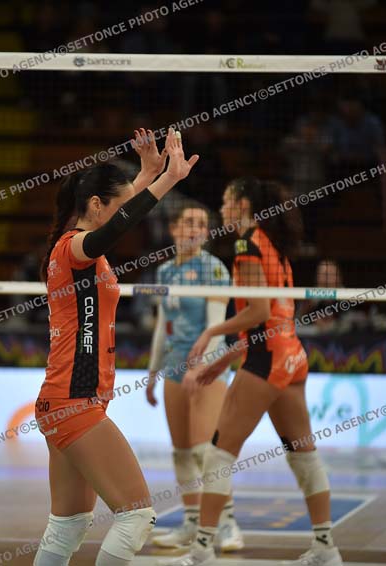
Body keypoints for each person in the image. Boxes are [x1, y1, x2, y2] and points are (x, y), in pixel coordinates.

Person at [33, 128, 198, 566]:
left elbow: (118, 212)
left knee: (68, 525)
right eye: (116, 205)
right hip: (74, 401)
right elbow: (120, 222)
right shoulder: (74, 248)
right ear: (94, 206)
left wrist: (146, 174)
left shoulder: (78, 248)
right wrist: (167, 179)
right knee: (137, 517)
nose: (125, 214)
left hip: (65, 401)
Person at [163, 179, 343, 566]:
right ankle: (326, 548)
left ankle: (201, 550)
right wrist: (224, 359)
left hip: (266, 360)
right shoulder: (273, 244)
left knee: (218, 454)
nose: (222, 209)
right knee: (303, 455)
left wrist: (212, 332)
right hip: (291, 356)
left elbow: (258, 313)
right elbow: (271, 321)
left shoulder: (246, 246)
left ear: (243, 205)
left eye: (227, 202)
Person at [144, 203, 244, 552]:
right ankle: (191, 522)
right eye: (189, 222)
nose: (196, 229)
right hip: (174, 366)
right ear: (173, 229)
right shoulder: (165, 271)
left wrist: (200, 368)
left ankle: (227, 524)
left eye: (202, 224)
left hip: (208, 367)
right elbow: (162, 326)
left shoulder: (213, 268)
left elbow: (217, 325)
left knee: (207, 453)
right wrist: (152, 373)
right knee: (182, 452)